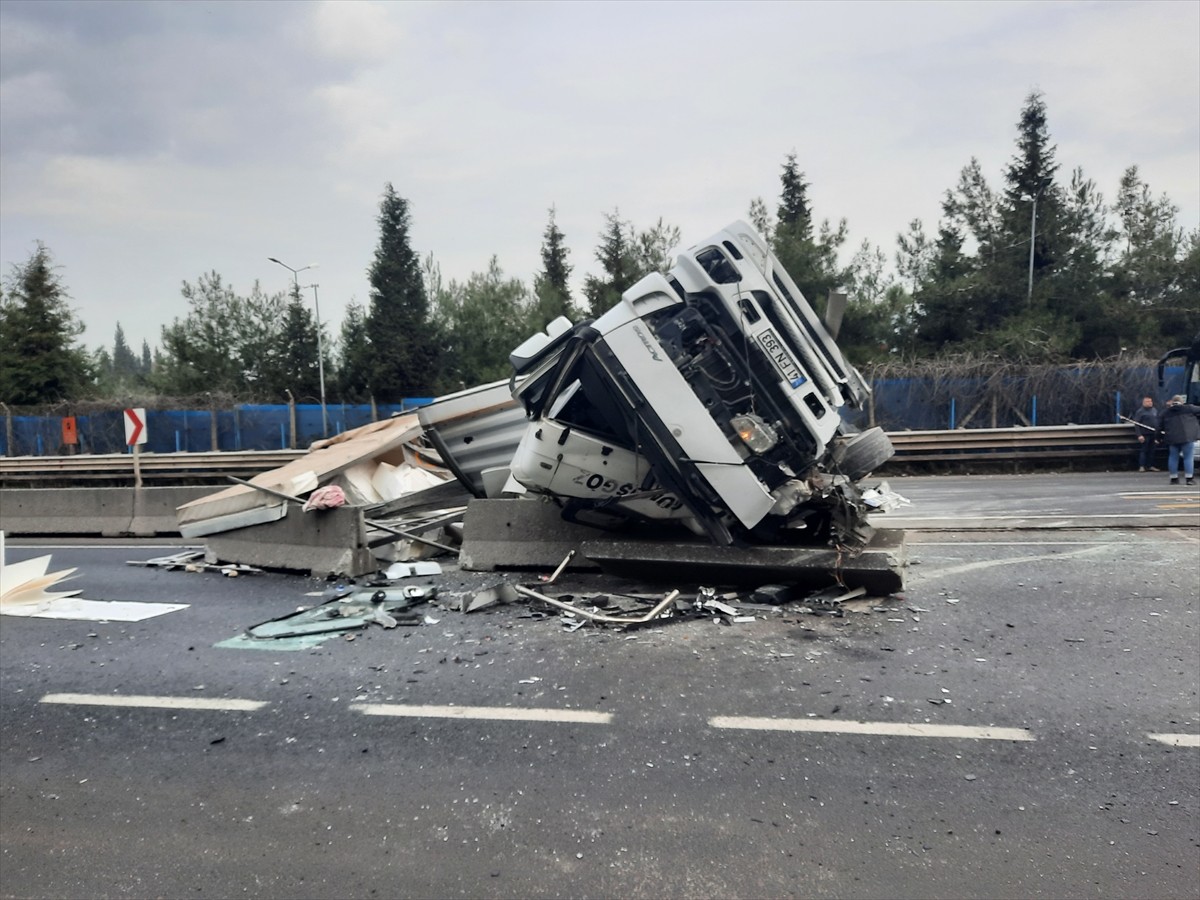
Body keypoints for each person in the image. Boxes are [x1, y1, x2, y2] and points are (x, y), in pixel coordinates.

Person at [1156, 394, 1200, 485]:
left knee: (1173, 457)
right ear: (1182, 402)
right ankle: (1189, 478)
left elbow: (1159, 427)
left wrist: (1158, 438)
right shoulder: (1189, 408)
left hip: (1172, 438)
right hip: (1187, 437)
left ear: (1172, 402)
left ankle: (1174, 478)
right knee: (1188, 457)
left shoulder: (1166, 412)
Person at [1131, 395, 1159, 471]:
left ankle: (1150, 465)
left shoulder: (1154, 410)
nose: (1149, 403)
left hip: (1153, 434)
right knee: (1144, 450)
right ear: (1143, 403)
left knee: (1152, 451)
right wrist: (1139, 435)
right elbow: (1137, 424)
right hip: (1144, 434)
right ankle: (1142, 466)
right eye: (1147, 401)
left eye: (1150, 401)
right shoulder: (1140, 412)